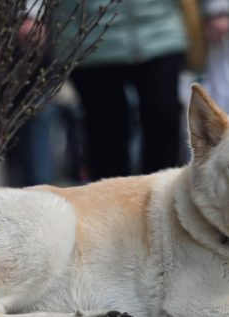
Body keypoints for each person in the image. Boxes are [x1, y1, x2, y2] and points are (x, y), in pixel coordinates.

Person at [53, 0, 189, 181]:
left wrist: (216, 9)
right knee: (105, 131)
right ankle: (110, 204)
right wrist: (31, 13)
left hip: (160, 30)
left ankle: (162, 197)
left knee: (164, 116)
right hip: (90, 37)